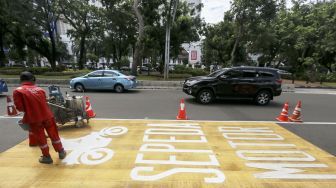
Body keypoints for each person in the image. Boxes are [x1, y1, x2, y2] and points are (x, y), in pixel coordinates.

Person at [13, 71, 66, 164]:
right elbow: (43, 102)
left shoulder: (18, 91)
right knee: (54, 134)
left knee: (41, 137)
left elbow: (20, 108)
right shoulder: (40, 89)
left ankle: (47, 157)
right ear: (33, 79)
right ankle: (61, 152)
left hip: (34, 118)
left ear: (21, 80)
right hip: (48, 116)